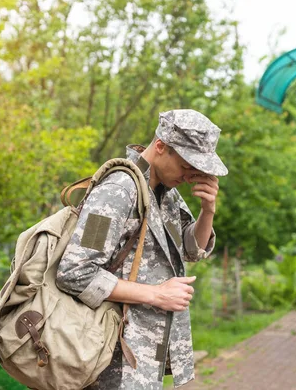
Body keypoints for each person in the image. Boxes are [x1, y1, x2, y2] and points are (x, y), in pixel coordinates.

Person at [56, 109, 228, 389]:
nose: (190, 176)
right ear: (161, 146)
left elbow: (192, 251)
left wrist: (207, 211)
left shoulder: (164, 192)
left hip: (141, 359)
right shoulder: (118, 190)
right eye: (187, 165)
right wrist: (157, 294)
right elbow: (74, 272)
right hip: (110, 360)